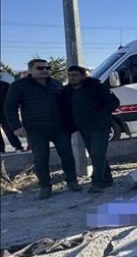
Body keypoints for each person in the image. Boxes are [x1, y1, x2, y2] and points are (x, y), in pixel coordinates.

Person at [3, 59, 81, 199]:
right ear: (30, 70)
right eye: (40, 68)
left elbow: (66, 104)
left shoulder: (56, 84)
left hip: (59, 127)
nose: (44, 70)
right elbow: (9, 107)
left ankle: (72, 181)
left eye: (47, 68)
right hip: (36, 129)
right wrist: (16, 127)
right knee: (41, 159)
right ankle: (45, 187)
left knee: (67, 155)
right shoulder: (19, 85)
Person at [62, 65, 120, 193]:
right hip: (84, 127)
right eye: (70, 75)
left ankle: (97, 182)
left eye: (75, 75)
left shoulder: (96, 87)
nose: (72, 78)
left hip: (100, 126)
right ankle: (108, 179)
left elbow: (114, 102)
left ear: (83, 76)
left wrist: (99, 116)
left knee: (97, 154)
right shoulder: (68, 91)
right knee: (96, 154)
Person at [0, 72, 26, 153]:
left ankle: (18, 147)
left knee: (9, 130)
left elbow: (11, 98)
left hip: (4, 112)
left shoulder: (5, 85)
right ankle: (1, 149)